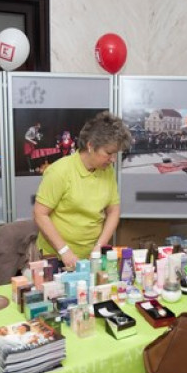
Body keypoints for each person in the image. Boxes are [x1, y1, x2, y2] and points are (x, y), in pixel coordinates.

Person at [33, 112, 131, 270]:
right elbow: (40, 213)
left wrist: (100, 246)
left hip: (90, 256)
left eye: (116, 154)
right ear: (91, 146)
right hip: (56, 256)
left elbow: (113, 211)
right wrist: (64, 251)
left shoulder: (107, 170)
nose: (113, 159)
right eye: (109, 153)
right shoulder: (60, 171)